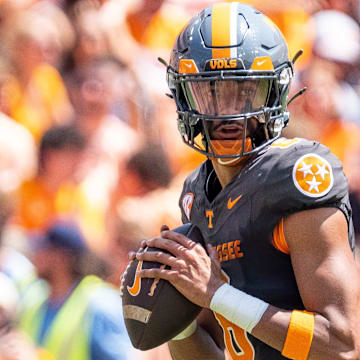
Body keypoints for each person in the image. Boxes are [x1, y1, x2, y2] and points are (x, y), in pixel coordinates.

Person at [131, 2, 360, 359]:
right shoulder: (196, 194)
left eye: (245, 90)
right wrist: (179, 317)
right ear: (183, 96)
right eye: (210, 92)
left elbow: (341, 344)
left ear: (273, 91)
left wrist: (216, 295)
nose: (229, 111)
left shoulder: (296, 175)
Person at [19, 219, 133, 360]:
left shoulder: (100, 305)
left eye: (43, 249)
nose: (35, 255)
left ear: (61, 258)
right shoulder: (34, 301)